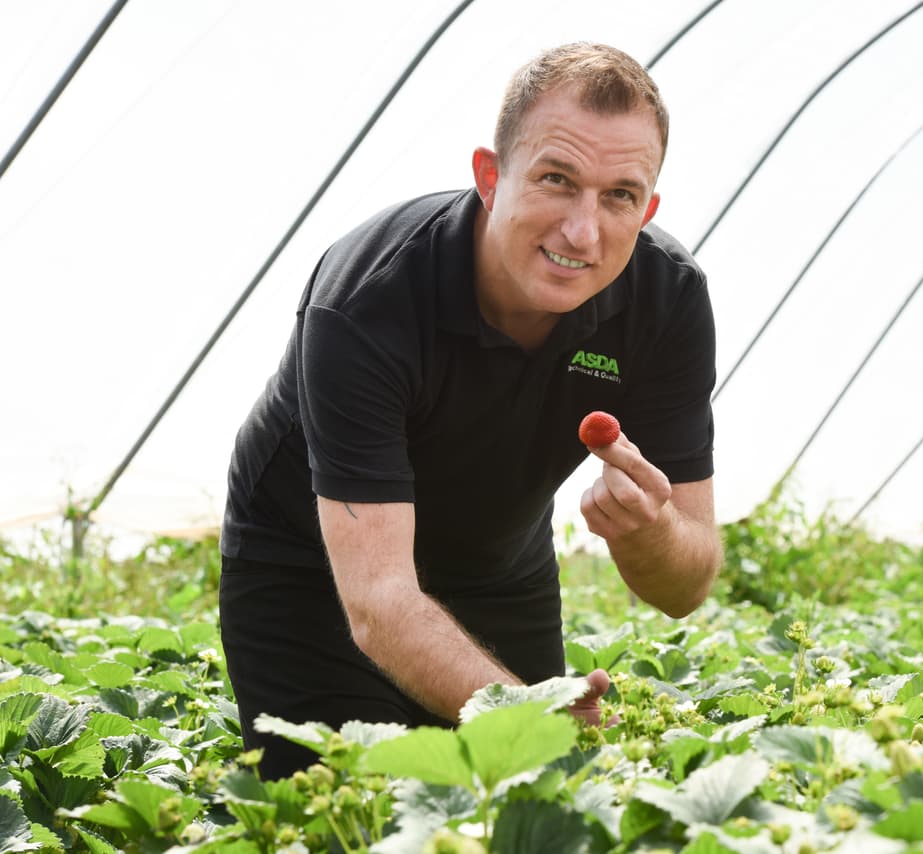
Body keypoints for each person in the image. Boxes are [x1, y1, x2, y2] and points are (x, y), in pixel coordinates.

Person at [218, 42, 722, 778]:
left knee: (529, 804)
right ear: (491, 177)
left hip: (497, 568)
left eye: (619, 195)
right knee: (349, 809)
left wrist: (651, 532)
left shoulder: (668, 301)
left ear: (646, 209)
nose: (583, 232)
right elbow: (380, 600)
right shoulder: (370, 297)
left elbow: (686, 588)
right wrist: (525, 717)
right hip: (314, 572)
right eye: (556, 179)